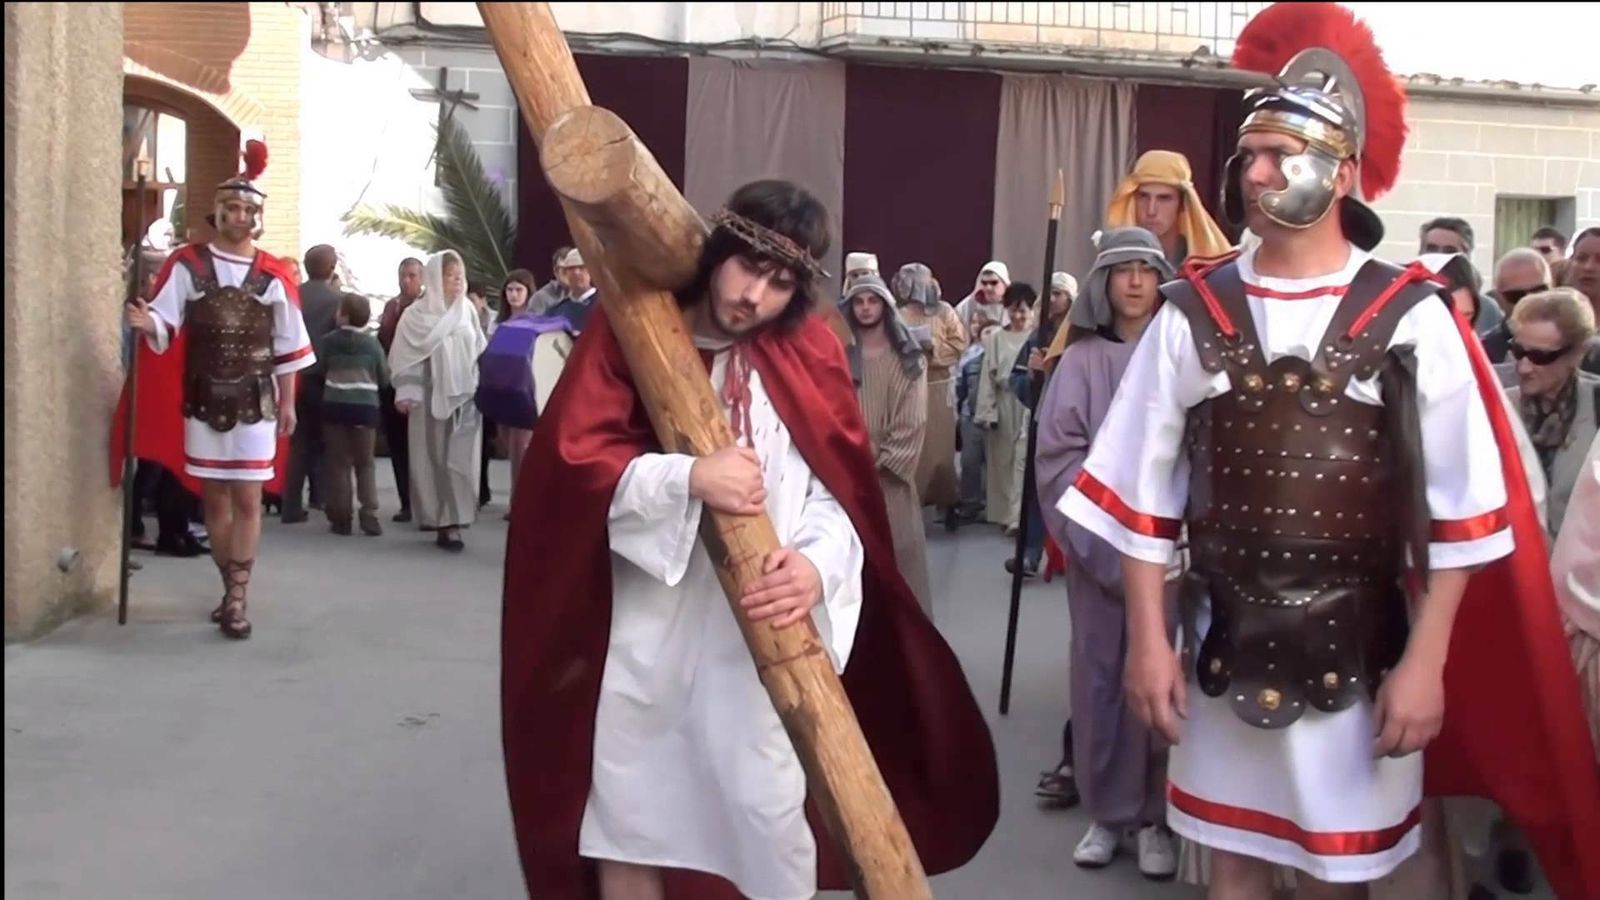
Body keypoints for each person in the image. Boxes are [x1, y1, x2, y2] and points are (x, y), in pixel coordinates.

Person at [1062, 4, 1600, 897]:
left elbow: (1462, 514)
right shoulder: (1194, 311)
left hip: (1361, 651)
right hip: (1221, 641)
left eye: (1281, 155)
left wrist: (1427, 665)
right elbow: (1142, 495)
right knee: (1232, 868)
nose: (1256, 172)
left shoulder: (1411, 316)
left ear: (1343, 171)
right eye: (1249, 155)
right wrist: (1148, 643)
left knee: (1341, 876)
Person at [500, 179, 999, 900]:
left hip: (761, 643)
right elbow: (571, 469)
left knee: (765, 819)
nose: (753, 296)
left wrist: (816, 569)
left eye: (779, 282)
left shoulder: (809, 353)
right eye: (748, 268)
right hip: (647, 638)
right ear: (717, 253)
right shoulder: (634, 332)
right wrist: (689, 479)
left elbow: (839, 495)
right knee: (629, 819)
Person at [115, 138, 314, 639]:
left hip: (256, 403)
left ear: (258, 217)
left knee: (248, 498)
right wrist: (146, 322)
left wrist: (289, 402)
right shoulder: (187, 264)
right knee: (215, 501)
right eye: (232, 207)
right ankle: (230, 588)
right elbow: (165, 320)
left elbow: (289, 345)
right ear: (218, 213)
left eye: (248, 208)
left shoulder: (273, 276)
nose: (240, 216)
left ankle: (237, 596)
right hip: (202, 402)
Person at [1037, 227, 1178, 878]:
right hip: (1100, 556)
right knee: (1099, 684)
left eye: (1146, 270)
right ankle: (1106, 813)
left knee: (1161, 686)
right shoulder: (1082, 361)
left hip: (1172, 556)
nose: (1135, 282)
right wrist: (1100, 547)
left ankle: (1154, 816)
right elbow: (1058, 457)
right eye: (1122, 270)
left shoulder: (1182, 352)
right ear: (1104, 283)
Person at [840, 275, 932, 618]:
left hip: (888, 480)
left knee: (898, 563)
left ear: (884, 305)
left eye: (872, 300)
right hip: (844, 477)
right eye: (859, 302)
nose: (865, 308)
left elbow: (913, 421)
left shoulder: (909, 360)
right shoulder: (839, 355)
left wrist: (880, 462)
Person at [387, 250, 487, 552]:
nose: (458, 281)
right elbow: (405, 356)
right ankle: (441, 520)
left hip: (465, 396)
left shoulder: (467, 310)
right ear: (434, 278)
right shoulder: (415, 316)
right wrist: (407, 391)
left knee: (460, 459)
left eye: (460, 275)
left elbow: (479, 347)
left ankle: (455, 517)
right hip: (430, 397)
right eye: (450, 275)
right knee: (433, 458)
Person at [1504, 287, 1599, 537]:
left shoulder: (1596, 406)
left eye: (1540, 356)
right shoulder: (1498, 407)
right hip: (1515, 568)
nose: (1524, 367)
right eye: (1518, 351)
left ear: (1579, 352)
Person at [486, 267, 575, 516]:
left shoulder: (536, 322)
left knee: (522, 450)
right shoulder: (499, 323)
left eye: (519, 289)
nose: (514, 294)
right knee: (512, 450)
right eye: (510, 290)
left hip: (526, 392)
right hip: (501, 391)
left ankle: (521, 504)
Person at [891, 263, 966, 519]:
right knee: (915, 447)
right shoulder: (898, 314)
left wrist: (934, 350)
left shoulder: (945, 312)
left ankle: (948, 499)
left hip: (938, 386)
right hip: (910, 385)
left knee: (941, 449)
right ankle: (914, 499)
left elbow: (959, 344)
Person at [320, 292, 390, 536]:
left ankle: (341, 517)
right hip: (365, 409)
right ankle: (369, 512)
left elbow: (320, 368)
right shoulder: (372, 344)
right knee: (365, 462)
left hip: (335, 406)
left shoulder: (328, 342)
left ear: (344, 316)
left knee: (339, 464)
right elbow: (384, 376)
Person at [281, 243, 342, 523]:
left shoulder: (293, 295)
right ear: (332, 267)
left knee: (299, 444)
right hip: (322, 378)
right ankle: (326, 499)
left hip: (294, 377)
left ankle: (291, 503)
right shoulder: (336, 300)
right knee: (328, 442)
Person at [1104, 149, 1233, 269]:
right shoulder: (1115, 260)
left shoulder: (1208, 265)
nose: (1151, 210)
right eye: (1143, 197)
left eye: (1164, 199)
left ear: (1183, 204)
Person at [975, 283, 1032, 530]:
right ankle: (1005, 514)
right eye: (1013, 310)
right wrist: (987, 411)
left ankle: (1020, 515)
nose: (1018, 316)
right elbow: (988, 376)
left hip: (1027, 401)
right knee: (1003, 460)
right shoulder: (998, 339)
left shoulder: (1036, 337)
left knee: (1023, 458)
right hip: (1004, 400)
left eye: (1023, 311)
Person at [377, 257, 425, 523]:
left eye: (412, 276)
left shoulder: (427, 308)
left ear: (422, 278)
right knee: (397, 445)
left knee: (419, 445)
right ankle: (406, 501)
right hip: (392, 382)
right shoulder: (391, 307)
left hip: (417, 383)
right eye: (403, 275)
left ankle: (422, 500)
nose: (406, 281)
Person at [955, 260, 1010, 344]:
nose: (988, 288)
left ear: (1004, 283)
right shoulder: (969, 305)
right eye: (984, 283)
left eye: (993, 283)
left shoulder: (1013, 305)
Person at [547, 247, 597, 332]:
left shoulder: (605, 306)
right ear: (565, 273)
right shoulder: (556, 311)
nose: (576, 272)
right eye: (571, 268)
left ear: (591, 271)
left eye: (581, 267)